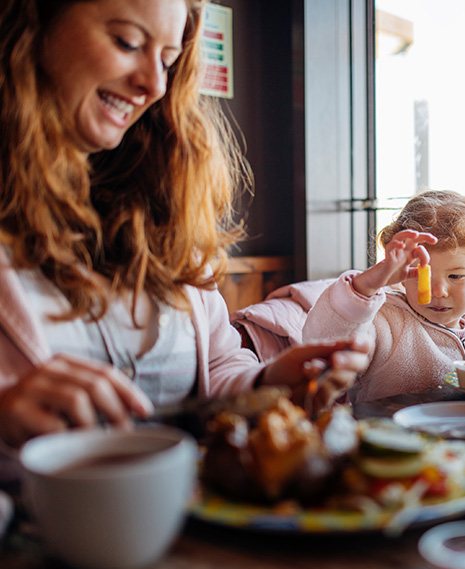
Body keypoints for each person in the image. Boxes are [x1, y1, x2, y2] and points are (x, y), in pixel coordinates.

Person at [0, 0, 370, 450]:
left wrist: (271, 385)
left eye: (168, 61)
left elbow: (216, 372)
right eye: (128, 43)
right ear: (33, 27)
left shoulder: (167, 216)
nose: (153, 84)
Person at [303, 189, 465, 404]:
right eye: (422, 275)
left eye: (455, 276)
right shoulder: (381, 322)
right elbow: (324, 343)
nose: (439, 291)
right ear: (403, 275)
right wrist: (365, 285)